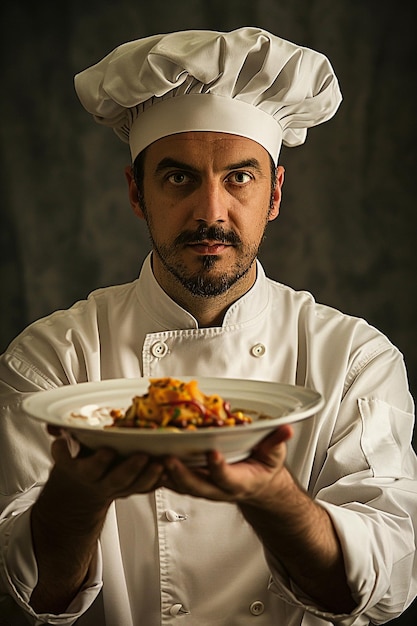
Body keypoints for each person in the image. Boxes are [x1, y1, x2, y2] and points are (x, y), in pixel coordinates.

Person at [0, 27, 416, 626]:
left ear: (274, 193)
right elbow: (20, 601)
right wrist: (77, 496)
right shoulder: (54, 357)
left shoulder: (354, 357)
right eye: (178, 178)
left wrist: (269, 495)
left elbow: (385, 583)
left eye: (239, 178)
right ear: (136, 193)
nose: (210, 213)